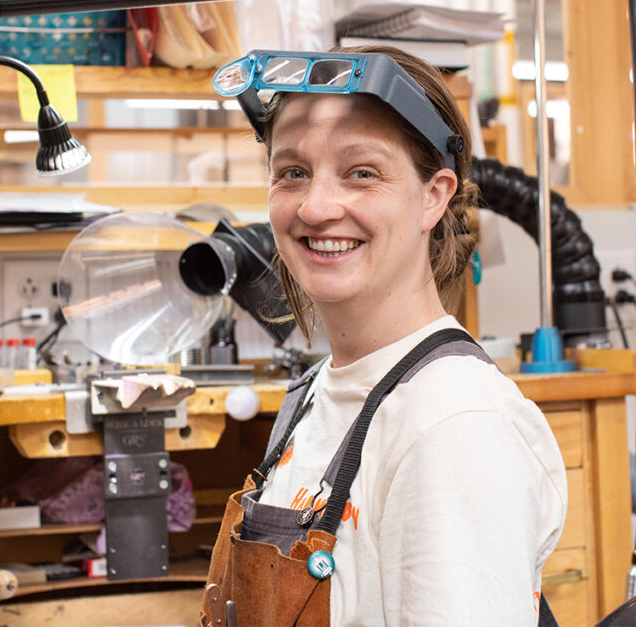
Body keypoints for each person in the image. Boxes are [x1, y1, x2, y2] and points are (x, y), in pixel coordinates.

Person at [201, 46, 568, 626]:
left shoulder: (451, 426)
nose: (317, 207)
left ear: (434, 195)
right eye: (293, 172)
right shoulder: (315, 394)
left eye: (361, 173)